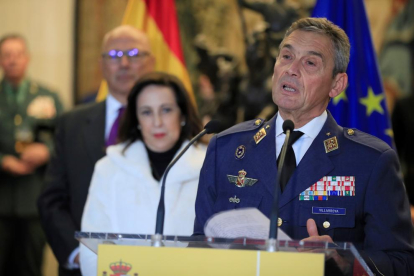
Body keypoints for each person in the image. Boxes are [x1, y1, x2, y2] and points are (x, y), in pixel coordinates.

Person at [194, 17, 414, 275]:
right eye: (286, 56)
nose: (291, 69)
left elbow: (402, 263)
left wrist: (343, 260)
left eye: (310, 62)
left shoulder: (370, 161)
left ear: (336, 85)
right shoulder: (226, 149)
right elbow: (200, 245)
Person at [37, 25, 155, 276]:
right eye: (113, 56)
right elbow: (52, 199)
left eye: (134, 54)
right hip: (82, 266)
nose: (124, 63)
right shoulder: (72, 123)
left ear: (152, 62)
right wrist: (78, 254)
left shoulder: (168, 125)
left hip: (151, 264)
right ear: (101, 65)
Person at [79, 72, 206, 276]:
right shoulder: (109, 168)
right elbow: (91, 247)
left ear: (182, 115)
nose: (157, 122)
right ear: (136, 119)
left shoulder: (209, 166)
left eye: (166, 110)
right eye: (146, 112)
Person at [0, 34, 63, 276]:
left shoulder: (48, 95)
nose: (13, 60)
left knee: (30, 266)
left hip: (35, 199)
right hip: (2, 198)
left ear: (27, 58)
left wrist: (46, 151)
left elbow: (65, 140)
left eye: (18, 54)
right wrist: (3, 160)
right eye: (7, 55)